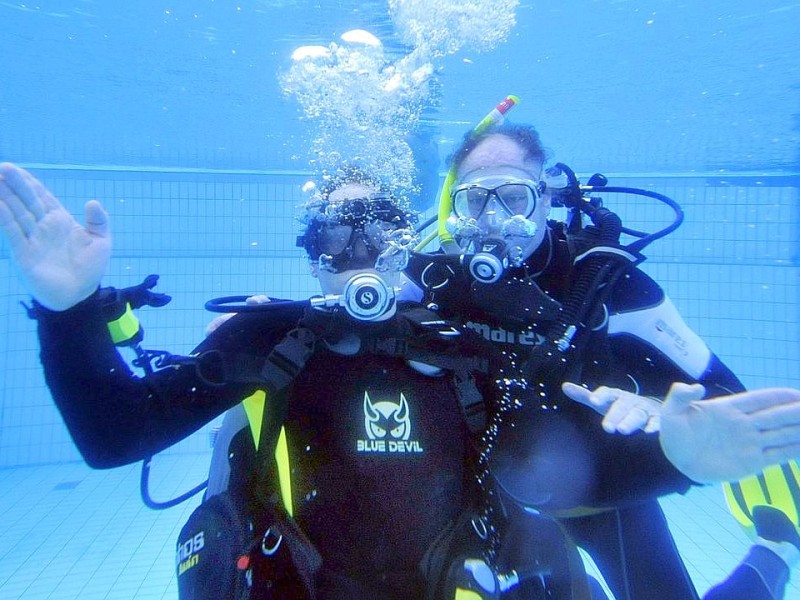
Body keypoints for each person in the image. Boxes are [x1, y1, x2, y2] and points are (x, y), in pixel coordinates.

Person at [403, 122, 800, 599]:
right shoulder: (435, 282)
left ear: (545, 198)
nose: (494, 218)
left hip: (604, 487)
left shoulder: (604, 279)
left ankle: (777, 546)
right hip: (489, 497)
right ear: (455, 207)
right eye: (475, 199)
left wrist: (660, 410)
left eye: (512, 196)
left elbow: (724, 393)